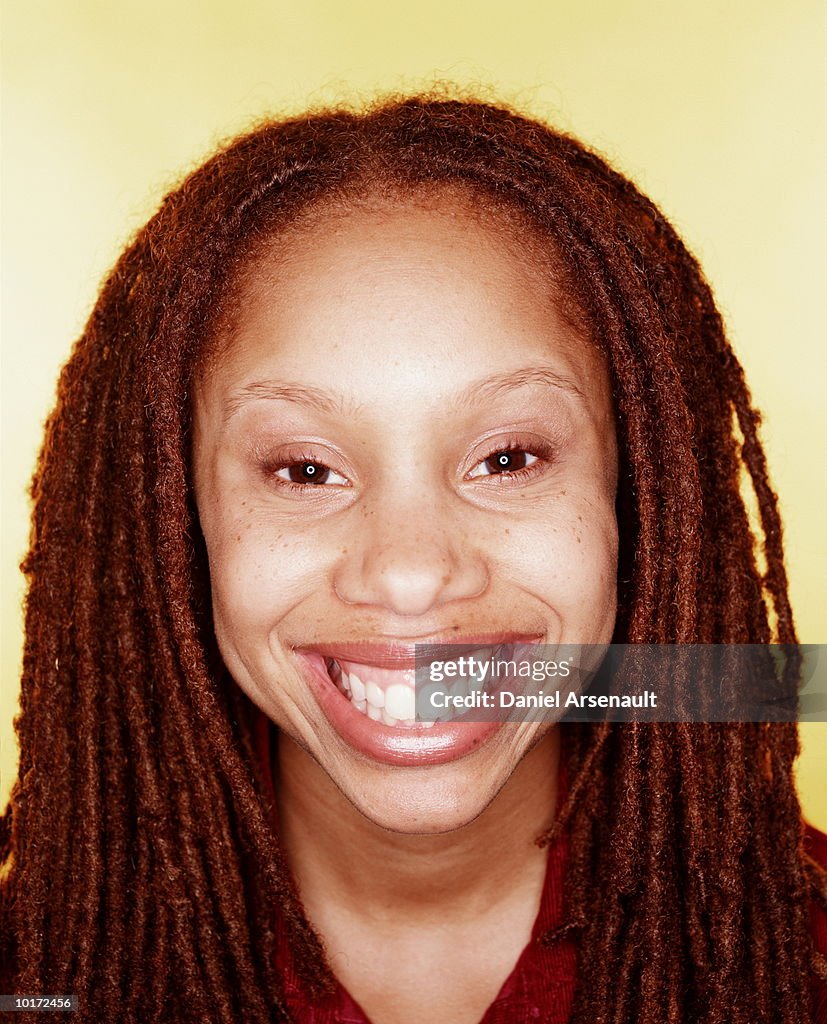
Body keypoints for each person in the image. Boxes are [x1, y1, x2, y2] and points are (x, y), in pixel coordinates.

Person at [1, 95, 825, 1024]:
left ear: (636, 499)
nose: (407, 574)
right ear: (170, 523)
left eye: (508, 460)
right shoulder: (36, 980)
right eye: (304, 469)